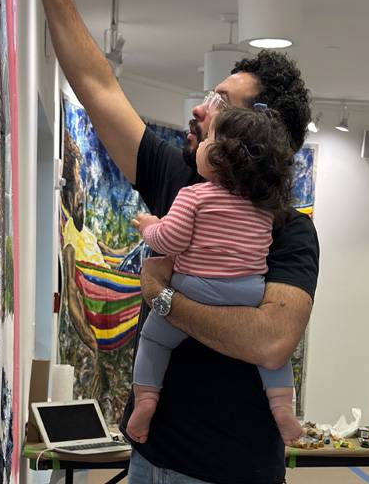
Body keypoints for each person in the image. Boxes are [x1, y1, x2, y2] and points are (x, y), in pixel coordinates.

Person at [0, 0, 319, 484]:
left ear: (259, 128)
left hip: (233, 473)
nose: (200, 107)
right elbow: (96, 83)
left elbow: (272, 341)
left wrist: (167, 299)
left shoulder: (291, 231)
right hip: (150, 461)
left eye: (221, 102)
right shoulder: (180, 180)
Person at [126, 107, 303, 446]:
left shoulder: (193, 195)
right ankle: (282, 408)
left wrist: (150, 229)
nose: (202, 143)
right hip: (249, 293)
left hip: (194, 287)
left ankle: (146, 399)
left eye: (208, 139)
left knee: (154, 339)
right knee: (273, 360)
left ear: (221, 155)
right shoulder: (264, 210)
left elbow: (171, 240)